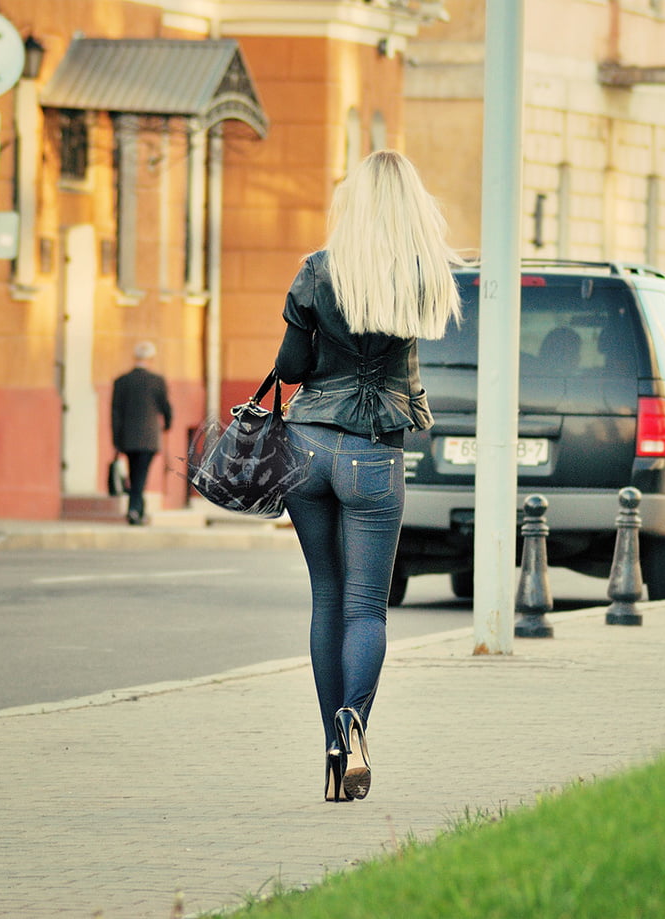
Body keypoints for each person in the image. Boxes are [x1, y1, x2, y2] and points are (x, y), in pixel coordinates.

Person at [275, 150, 462, 802]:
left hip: (304, 449)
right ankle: (353, 719)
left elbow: (292, 368)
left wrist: (309, 326)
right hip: (372, 454)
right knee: (364, 607)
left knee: (326, 598)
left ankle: (332, 750)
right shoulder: (423, 275)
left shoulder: (316, 272)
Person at [111, 341, 172, 526]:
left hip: (128, 438)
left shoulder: (122, 381)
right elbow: (166, 408)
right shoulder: (157, 381)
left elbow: (115, 412)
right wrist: (167, 425)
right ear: (151, 359)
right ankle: (135, 510)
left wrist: (116, 438)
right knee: (140, 476)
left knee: (134, 474)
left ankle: (137, 509)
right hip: (149, 438)